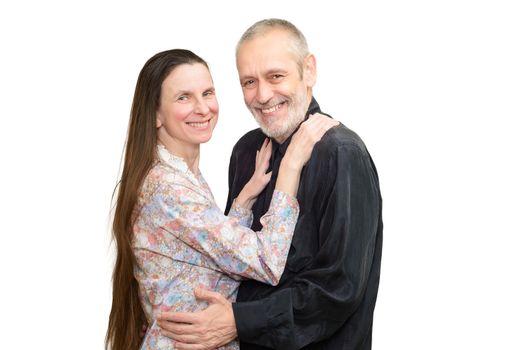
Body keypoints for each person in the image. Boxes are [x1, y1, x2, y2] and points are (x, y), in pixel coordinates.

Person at [157, 19, 383, 350]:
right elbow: (234, 259)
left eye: (276, 76)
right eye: (249, 82)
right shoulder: (247, 151)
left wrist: (238, 320)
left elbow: (339, 289)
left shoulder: (341, 153)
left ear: (309, 71)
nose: (262, 95)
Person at [105, 49, 338, 350]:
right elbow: (267, 262)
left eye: (207, 93)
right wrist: (290, 166)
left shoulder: (177, 174)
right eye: (183, 98)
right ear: (155, 115)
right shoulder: (168, 189)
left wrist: (244, 199)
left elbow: (210, 258)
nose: (202, 108)